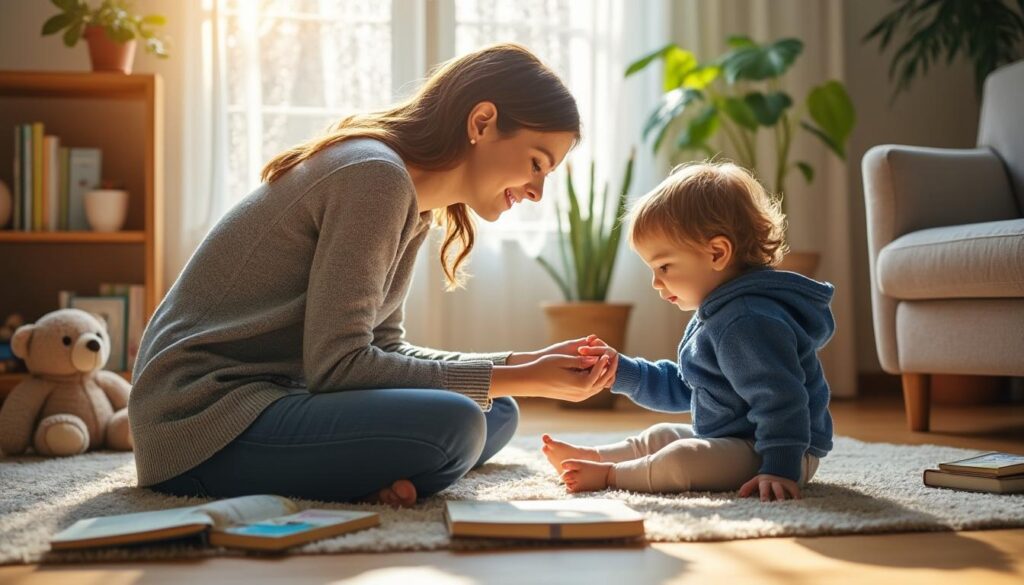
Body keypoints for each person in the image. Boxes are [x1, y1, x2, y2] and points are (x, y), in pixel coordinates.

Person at [129, 43, 613, 507]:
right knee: (460, 423)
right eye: (536, 163)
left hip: (275, 395)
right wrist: (523, 376)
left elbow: (383, 347)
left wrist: (521, 362)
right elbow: (339, 366)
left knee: (498, 411)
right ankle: (363, 476)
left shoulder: (413, 200)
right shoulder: (374, 178)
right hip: (202, 422)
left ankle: (362, 474)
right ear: (482, 122)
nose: (537, 192)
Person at [542, 162, 836, 502]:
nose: (655, 282)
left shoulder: (746, 320)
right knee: (662, 435)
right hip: (741, 440)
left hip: (781, 451)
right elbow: (690, 387)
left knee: (682, 459)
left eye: (664, 266)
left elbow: (781, 398)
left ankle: (610, 474)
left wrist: (780, 468)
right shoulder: (718, 313)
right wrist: (621, 372)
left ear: (717, 253)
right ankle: (597, 456)